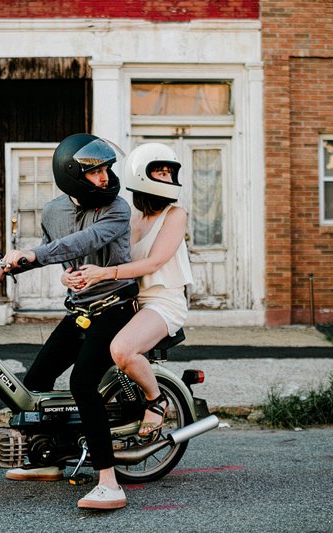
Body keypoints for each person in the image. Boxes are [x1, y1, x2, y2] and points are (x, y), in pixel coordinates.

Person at [0, 133, 138, 510]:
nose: (106, 177)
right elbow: (66, 260)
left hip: (116, 307)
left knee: (81, 383)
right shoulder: (52, 212)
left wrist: (30, 255)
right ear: (72, 174)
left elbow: (83, 243)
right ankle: (55, 459)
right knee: (34, 382)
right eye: (96, 172)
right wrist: (63, 276)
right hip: (80, 311)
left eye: (108, 169)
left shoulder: (117, 209)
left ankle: (109, 483)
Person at [62, 142, 194, 438]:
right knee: (87, 365)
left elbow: (154, 262)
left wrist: (105, 274)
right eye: (160, 172)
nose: (167, 179)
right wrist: (69, 278)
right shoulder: (129, 217)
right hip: (127, 303)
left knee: (122, 350)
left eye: (170, 173)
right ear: (141, 175)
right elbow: (94, 255)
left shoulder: (175, 215)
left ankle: (156, 401)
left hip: (162, 303)